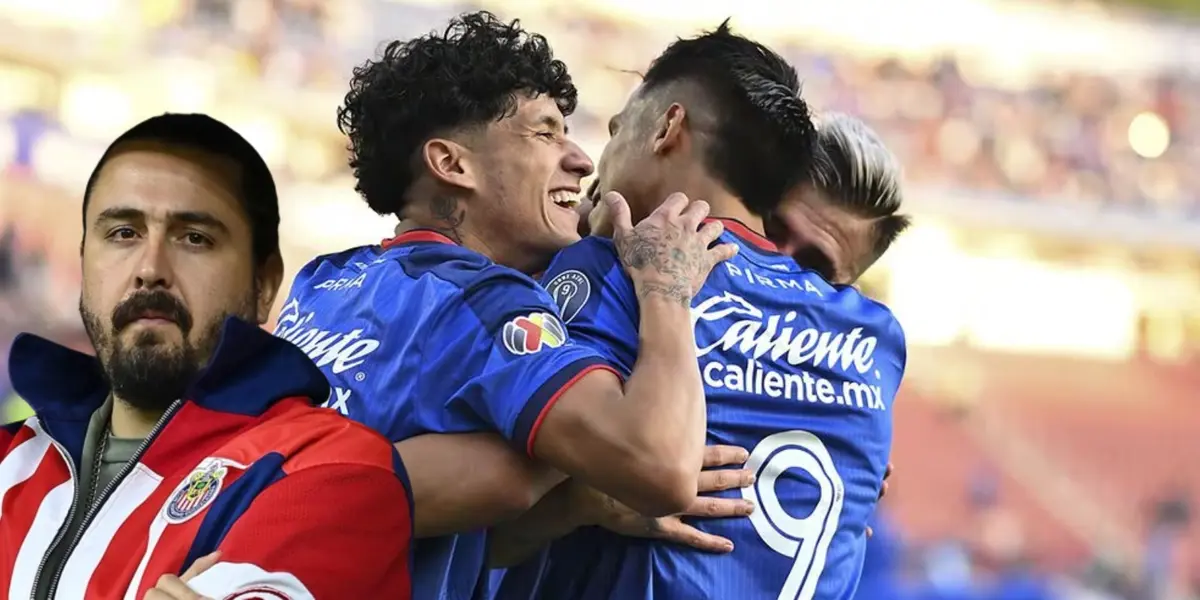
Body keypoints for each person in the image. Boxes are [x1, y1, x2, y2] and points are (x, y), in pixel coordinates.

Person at [276, 11, 735, 599]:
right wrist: (665, 287)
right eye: (545, 133)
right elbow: (661, 467)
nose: (582, 160)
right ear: (452, 164)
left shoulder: (323, 282)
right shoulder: (484, 302)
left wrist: (569, 505)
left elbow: (415, 535)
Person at [487, 25, 909, 600]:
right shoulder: (876, 342)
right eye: (777, 230)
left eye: (813, 264)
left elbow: (447, 526)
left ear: (668, 127)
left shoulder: (609, 272)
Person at [0, 114, 412, 600]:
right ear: (85, 262)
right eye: (123, 234)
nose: (150, 269)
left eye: (194, 238)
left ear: (264, 285)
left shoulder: (330, 473)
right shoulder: (11, 459)